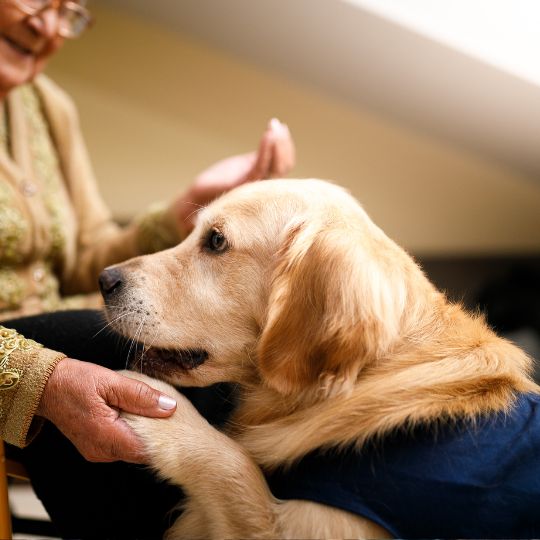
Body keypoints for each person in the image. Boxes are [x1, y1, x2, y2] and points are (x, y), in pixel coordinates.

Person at [0, 0, 295, 536]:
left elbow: (88, 260)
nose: (45, 25)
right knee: (124, 353)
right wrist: (40, 381)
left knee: (223, 369)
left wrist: (189, 204)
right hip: (29, 347)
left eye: (67, 11)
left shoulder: (47, 106)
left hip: (62, 326)